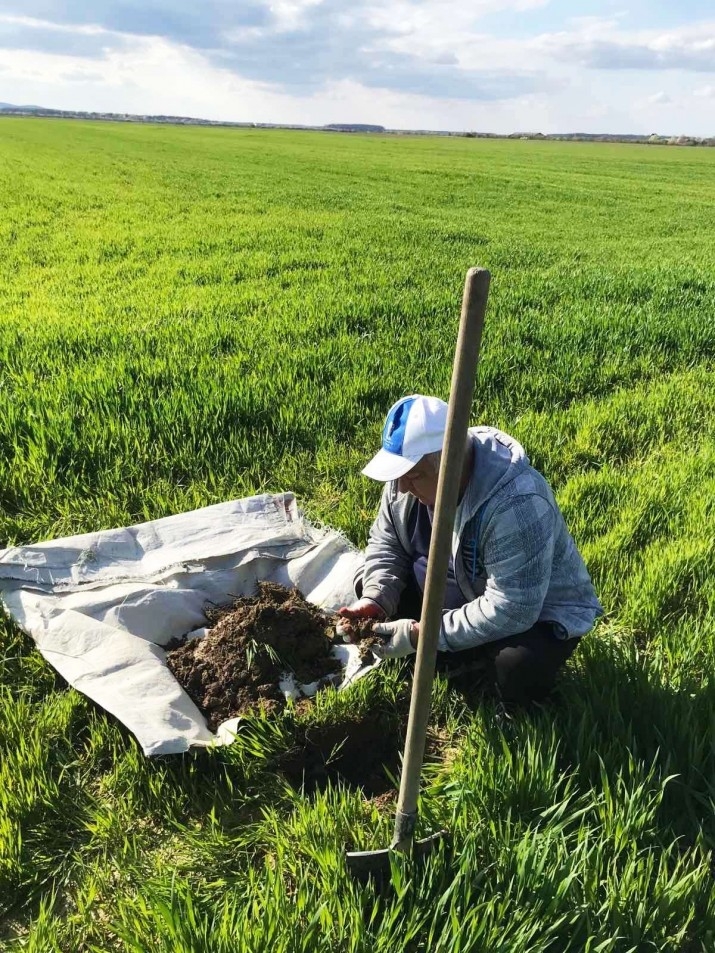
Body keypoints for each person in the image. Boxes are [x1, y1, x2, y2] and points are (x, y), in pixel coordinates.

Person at [338, 395, 602, 706]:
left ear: (451, 462)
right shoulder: (405, 481)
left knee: (516, 669)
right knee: (367, 583)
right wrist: (376, 598)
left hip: (531, 613)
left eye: (414, 476)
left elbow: (513, 608)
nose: (403, 487)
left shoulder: (517, 503)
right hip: (450, 593)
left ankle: (469, 661)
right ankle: (450, 650)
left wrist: (421, 635)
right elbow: (387, 544)